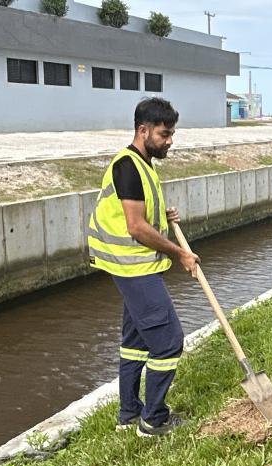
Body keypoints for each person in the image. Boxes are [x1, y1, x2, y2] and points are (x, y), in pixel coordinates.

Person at [87, 97, 200, 438]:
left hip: (134, 265)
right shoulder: (127, 166)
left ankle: (128, 414)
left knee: (135, 342)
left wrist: (163, 217)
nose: (170, 142)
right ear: (143, 130)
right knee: (168, 341)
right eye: (165, 135)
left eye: (172, 134)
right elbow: (135, 227)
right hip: (132, 267)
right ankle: (154, 420)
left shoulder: (144, 163)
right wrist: (180, 252)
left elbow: (138, 211)